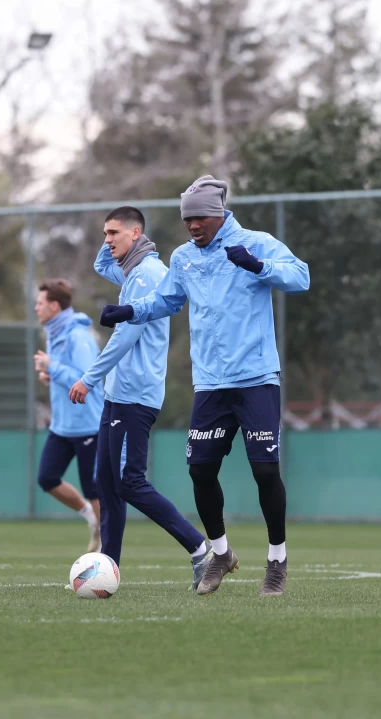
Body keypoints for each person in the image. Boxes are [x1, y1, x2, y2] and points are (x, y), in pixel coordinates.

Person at [100, 178, 309, 597]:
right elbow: (167, 302)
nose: (192, 225)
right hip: (210, 383)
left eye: (198, 217)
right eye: (186, 218)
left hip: (256, 378)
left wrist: (257, 265)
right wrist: (131, 309)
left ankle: (277, 560)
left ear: (218, 214)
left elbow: (300, 277)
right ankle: (220, 553)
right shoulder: (182, 258)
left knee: (265, 470)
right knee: (199, 470)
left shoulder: (255, 242)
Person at [67, 206, 210, 587]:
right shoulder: (133, 269)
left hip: (134, 396)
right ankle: (107, 567)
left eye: (114, 233)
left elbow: (125, 336)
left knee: (130, 481)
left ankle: (200, 549)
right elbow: (103, 265)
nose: (107, 240)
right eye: (104, 233)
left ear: (135, 232)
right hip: (119, 396)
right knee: (107, 481)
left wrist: (89, 379)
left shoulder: (146, 274)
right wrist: (115, 242)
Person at [32, 279, 103, 552]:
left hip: (88, 426)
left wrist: (54, 368)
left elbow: (88, 378)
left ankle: (105, 551)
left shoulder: (78, 335)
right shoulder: (54, 333)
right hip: (62, 426)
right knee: (47, 478)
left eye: (39, 303)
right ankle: (91, 518)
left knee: (94, 490)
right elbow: (66, 375)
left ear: (54, 305)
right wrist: (52, 375)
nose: (36, 308)